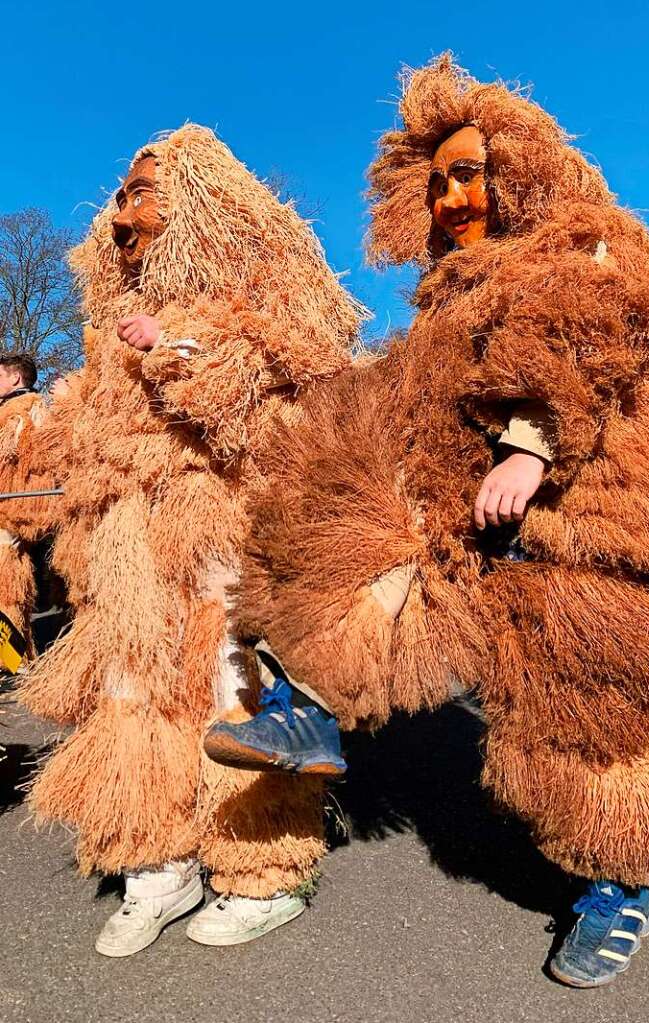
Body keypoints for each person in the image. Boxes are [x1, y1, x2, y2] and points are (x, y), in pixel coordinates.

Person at [206, 55, 649, 987]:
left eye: (468, 173)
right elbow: (413, 403)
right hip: (482, 515)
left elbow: (587, 332)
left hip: (592, 520)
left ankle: (619, 880)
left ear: (518, 165)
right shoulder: (446, 291)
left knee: (579, 718)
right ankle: (308, 708)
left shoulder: (587, 240)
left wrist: (532, 442)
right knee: (350, 542)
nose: (450, 196)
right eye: (436, 180)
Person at [18, 125, 361, 956]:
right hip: (127, 542)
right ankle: (154, 858)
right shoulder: (109, 326)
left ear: (201, 207)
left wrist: (177, 349)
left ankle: (261, 872)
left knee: (229, 688)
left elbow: (288, 397)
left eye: (142, 193)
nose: (120, 213)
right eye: (120, 195)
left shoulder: (260, 306)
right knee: (132, 690)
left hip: (217, 529)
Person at [0, 353, 40, 661]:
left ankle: (8, 658)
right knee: (11, 581)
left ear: (15, 377)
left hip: (11, 508)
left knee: (6, 585)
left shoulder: (24, 409)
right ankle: (16, 657)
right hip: (13, 508)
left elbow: (10, 456)